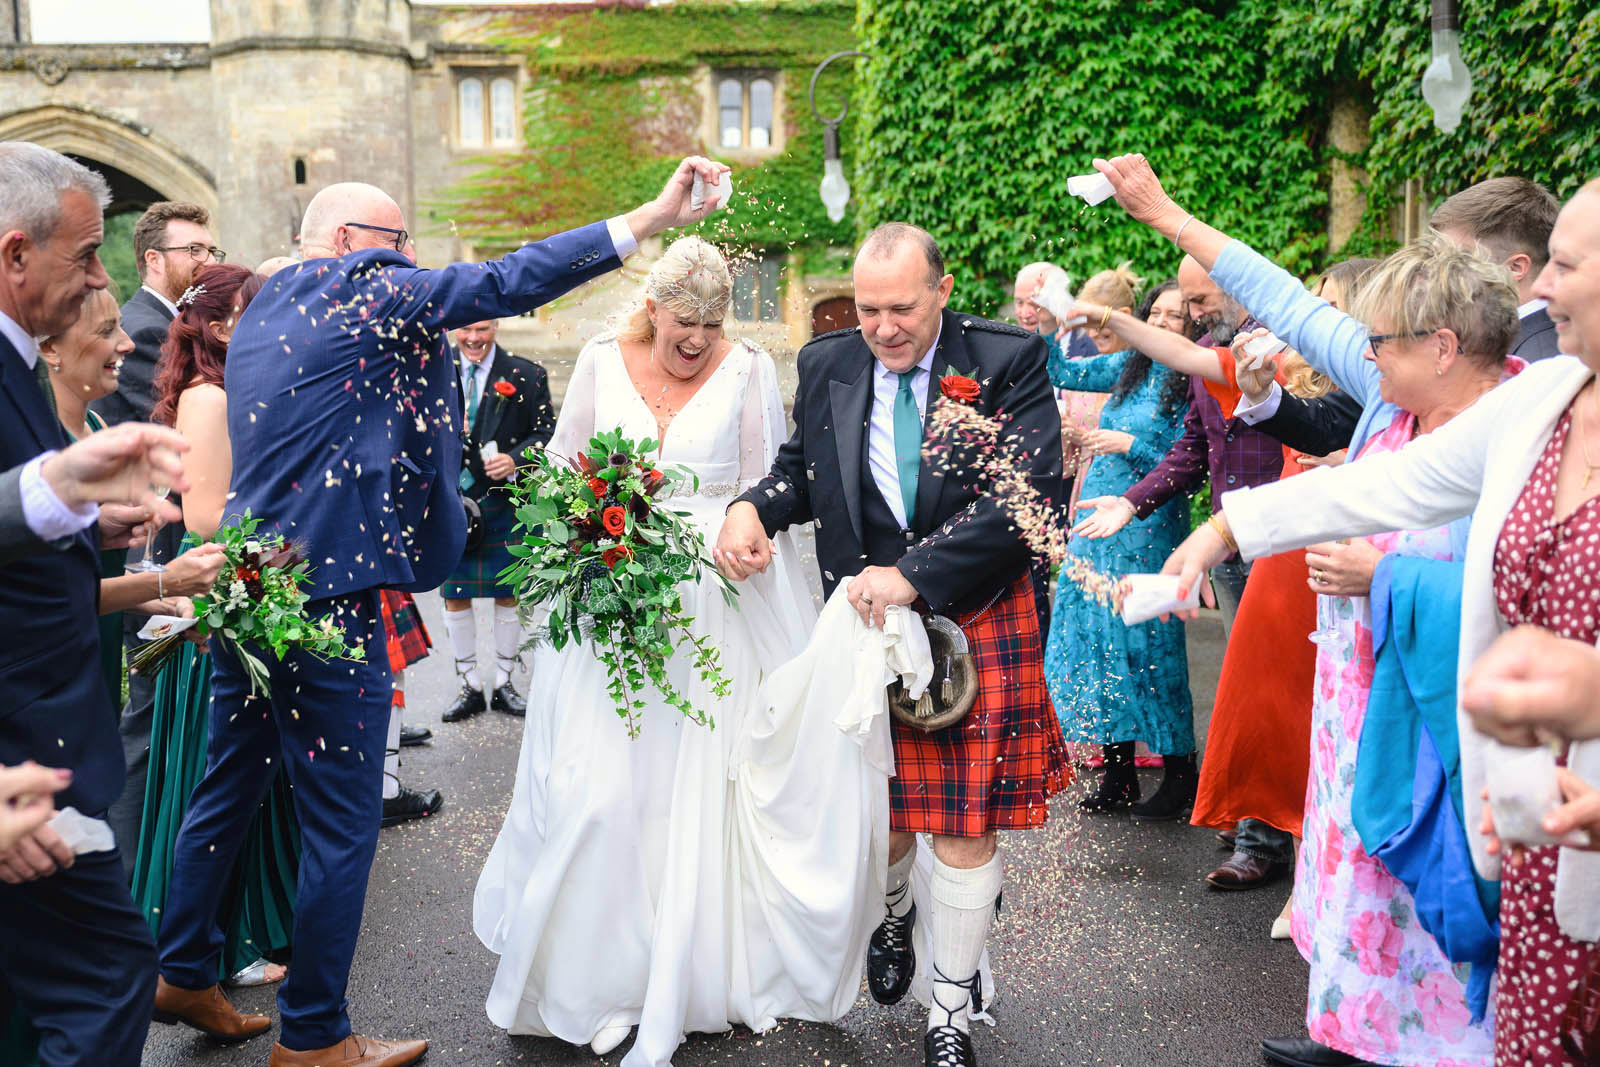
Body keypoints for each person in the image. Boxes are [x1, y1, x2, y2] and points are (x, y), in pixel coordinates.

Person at [151, 156, 733, 1067]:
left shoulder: (266, 305)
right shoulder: (360, 291)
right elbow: (503, 281)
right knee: (343, 825)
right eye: (397, 245)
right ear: (346, 243)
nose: (411, 260)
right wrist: (647, 219)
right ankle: (313, 1037)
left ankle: (183, 964)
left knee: (230, 782)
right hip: (326, 600)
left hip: (250, 586)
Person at [1160, 172, 1600, 1067]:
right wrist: (1223, 530)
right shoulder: (1545, 400)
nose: (1540, 291)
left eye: (1560, 266)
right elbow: (1394, 483)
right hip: (1532, 821)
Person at [475, 234, 886, 1065]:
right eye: (681, 323)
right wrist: (585, 517)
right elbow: (561, 466)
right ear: (651, 308)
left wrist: (753, 534)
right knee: (600, 791)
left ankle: (691, 973)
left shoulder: (745, 372)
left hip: (711, 604)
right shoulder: (597, 359)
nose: (695, 340)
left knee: (693, 792)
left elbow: (763, 487)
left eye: (712, 322)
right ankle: (600, 978)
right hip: (610, 594)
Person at [717, 223, 1069, 1067]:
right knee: (882, 819)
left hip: (975, 612)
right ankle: (894, 910)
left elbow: (1029, 497)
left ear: (941, 292)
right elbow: (803, 471)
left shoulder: (1005, 360)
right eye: (869, 309)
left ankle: (948, 1007)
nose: (883, 327)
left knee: (963, 822)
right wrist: (749, 509)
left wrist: (913, 573)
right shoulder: (830, 362)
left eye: (901, 308)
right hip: (866, 625)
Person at [0, 139, 182, 1067]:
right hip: (29, 760)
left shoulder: (19, 361)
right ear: (13, 254)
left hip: (41, 753)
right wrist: (59, 485)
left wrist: (79, 521)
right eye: (85, 257)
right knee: (110, 973)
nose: (104, 283)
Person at [1073, 252, 1295, 890]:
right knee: (1250, 688)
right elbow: (1194, 451)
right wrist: (1132, 499)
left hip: (1286, 541)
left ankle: (1263, 836)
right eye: (1189, 305)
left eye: (1200, 304)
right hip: (1230, 551)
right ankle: (1259, 823)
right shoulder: (1205, 360)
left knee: (1268, 691)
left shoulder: (1289, 355)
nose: (1195, 317)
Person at [131, 263, 306, 1000]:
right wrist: (288, 533)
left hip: (249, 589)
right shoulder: (207, 397)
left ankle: (229, 936)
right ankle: (206, 951)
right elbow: (205, 517)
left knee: (250, 784)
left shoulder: (233, 386)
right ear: (221, 324)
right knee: (215, 779)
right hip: (216, 604)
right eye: (256, 313)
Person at [92, 200, 224, 872]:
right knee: (148, 724)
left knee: (158, 721)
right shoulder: (146, 330)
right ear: (153, 258)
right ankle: (131, 879)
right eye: (193, 249)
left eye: (210, 248)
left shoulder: (165, 325)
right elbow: (164, 446)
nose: (207, 260)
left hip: (158, 541)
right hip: (152, 546)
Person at [1044, 272, 1196, 818]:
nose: (1159, 325)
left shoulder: (1191, 379)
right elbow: (1060, 370)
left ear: (1193, 328)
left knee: (1151, 651)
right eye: (1154, 315)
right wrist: (1047, 322)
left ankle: (1181, 775)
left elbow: (1192, 462)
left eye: (1173, 318)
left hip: (1150, 529)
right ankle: (1118, 773)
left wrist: (1131, 441)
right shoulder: (1131, 368)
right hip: (1096, 528)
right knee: (1099, 645)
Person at [439, 317, 555, 723]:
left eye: (483, 329)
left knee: (508, 593)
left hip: (505, 501)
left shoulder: (526, 374)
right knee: (456, 594)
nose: (473, 338)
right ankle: (469, 683)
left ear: (496, 328)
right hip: (451, 501)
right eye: (465, 329)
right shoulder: (435, 367)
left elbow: (547, 432)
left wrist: (517, 458)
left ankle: (505, 681)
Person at [1431, 176, 1562, 361]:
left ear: (1515, 267)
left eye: (1455, 259)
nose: (1434, 272)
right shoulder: (1500, 340)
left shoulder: (1537, 362)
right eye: (1435, 257)